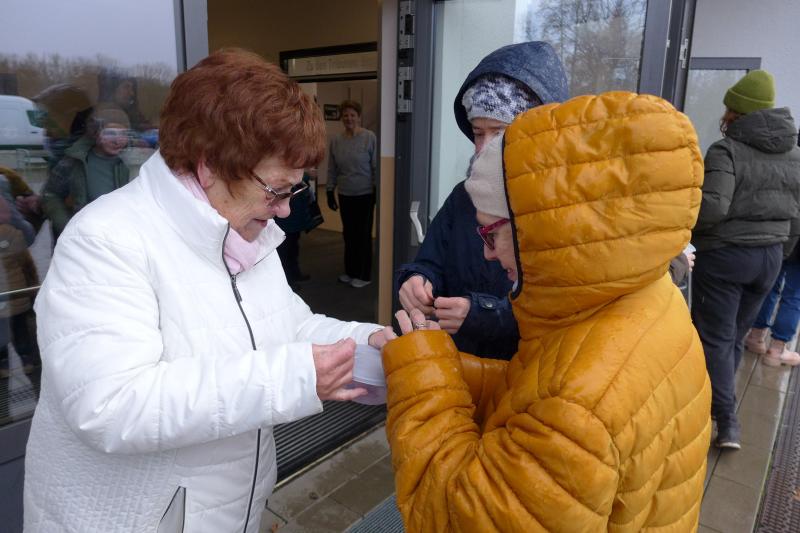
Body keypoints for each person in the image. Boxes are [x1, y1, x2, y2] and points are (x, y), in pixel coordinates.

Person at [24, 49, 393, 532]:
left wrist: (373, 346)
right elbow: (110, 405)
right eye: (277, 190)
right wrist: (294, 377)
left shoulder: (247, 234)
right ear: (211, 165)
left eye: (295, 190)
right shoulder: (105, 240)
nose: (286, 210)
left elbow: (289, 326)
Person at [381, 93, 711, 532]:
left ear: (542, 230)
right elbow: (535, 389)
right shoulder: (645, 295)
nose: (487, 252)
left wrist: (420, 375)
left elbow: (457, 515)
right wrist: (444, 366)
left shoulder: (580, 410)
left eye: (492, 233)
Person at [395, 42, 568, 360]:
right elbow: (429, 260)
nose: (484, 148)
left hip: (521, 372)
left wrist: (481, 314)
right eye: (477, 133)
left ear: (538, 135)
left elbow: (558, 313)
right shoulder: (464, 197)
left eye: (499, 133)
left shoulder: (563, 210)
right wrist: (416, 280)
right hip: (457, 363)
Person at [691, 69, 800, 450]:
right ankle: (720, 406)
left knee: (715, 339)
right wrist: (780, 253)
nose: (724, 115)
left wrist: (686, 227)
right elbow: (797, 217)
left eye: (729, 109)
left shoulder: (726, 150)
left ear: (737, 112)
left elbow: (713, 208)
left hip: (726, 258)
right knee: (734, 338)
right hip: (769, 258)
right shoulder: (794, 154)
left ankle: (726, 421)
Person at [40, 105, 131, 241]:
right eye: (110, 133)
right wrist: (67, 227)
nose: (117, 140)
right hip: (79, 239)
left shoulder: (126, 164)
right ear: (96, 134)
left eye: (123, 134)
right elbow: (50, 195)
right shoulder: (74, 162)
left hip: (114, 238)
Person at [326, 100, 377, 288]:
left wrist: (376, 190)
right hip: (345, 194)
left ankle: (364, 275)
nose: (349, 118)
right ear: (342, 118)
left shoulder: (369, 137)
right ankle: (350, 271)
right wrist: (329, 190)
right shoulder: (336, 140)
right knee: (349, 234)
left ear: (359, 117)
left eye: (352, 115)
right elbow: (332, 167)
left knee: (363, 235)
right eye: (345, 115)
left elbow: (375, 166)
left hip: (365, 194)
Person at [744, 246, 800, 366]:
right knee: (794, 294)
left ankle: (755, 336)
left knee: (772, 283)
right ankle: (777, 350)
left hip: (785, 239)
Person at [275, 168, 322, 286]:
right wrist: (306, 175)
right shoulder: (280, 164)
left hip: (295, 215)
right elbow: (287, 178)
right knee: (284, 250)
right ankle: (287, 281)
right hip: (286, 217)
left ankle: (295, 273)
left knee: (293, 247)